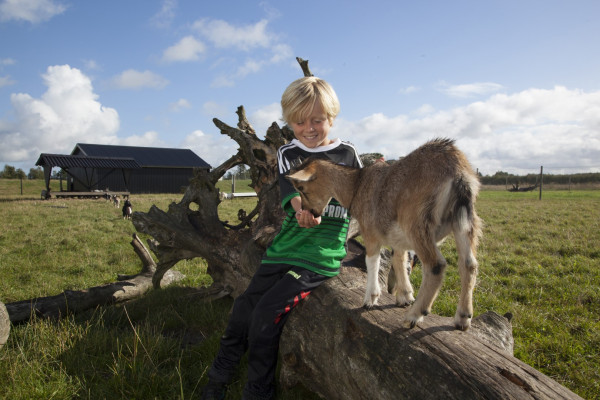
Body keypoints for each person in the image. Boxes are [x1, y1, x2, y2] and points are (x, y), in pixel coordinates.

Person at [201, 76, 363, 400]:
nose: (309, 128)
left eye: (317, 120)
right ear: (289, 121)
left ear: (331, 117)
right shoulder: (289, 152)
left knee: (265, 315)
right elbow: (292, 195)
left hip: (320, 253)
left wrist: (326, 210)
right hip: (286, 245)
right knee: (244, 307)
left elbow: (355, 203)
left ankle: (258, 390)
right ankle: (221, 370)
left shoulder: (347, 156)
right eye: (299, 121)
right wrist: (304, 209)